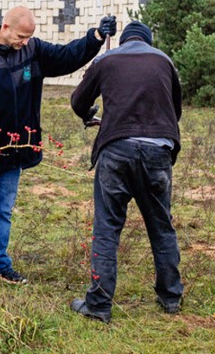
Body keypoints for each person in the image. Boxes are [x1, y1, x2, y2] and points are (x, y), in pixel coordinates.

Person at [0, 6, 116, 292]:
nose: (25, 42)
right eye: (21, 36)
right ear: (5, 27)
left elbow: (67, 55)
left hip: (14, 150)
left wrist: (95, 37)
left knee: (3, 212)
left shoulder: (33, 51)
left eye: (29, 37)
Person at [69, 21, 184, 323]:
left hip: (116, 151)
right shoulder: (164, 60)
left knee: (107, 228)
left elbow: (78, 100)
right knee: (161, 226)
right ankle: (170, 297)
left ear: (123, 41)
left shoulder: (107, 59)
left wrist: (90, 115)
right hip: (158, 152)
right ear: (148, 41)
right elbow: (176, 110)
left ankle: (99, 304)